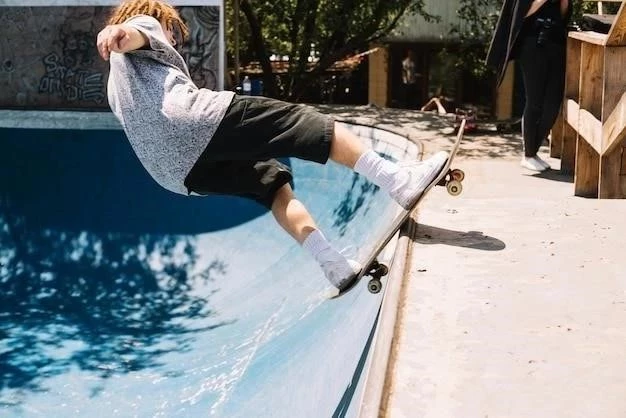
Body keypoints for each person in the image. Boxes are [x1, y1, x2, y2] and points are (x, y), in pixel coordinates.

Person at [96, 0, 448, 291]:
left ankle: (334, 265)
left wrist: (118, 38)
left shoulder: (115, 84)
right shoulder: (149, 21)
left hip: (175, 175)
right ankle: (398, 180)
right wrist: (117, 32)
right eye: (175, 31)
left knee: (273, 185)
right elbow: (132, 34)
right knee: (307, 124)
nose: (174, 38)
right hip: (194, 122)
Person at [486, 0, 572, 172]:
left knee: (553, 104)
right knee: (534, 101)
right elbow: (520, 15)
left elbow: (563, 15)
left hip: (555, 42)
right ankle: (528, 154)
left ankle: (533, 150)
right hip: (532, 43)